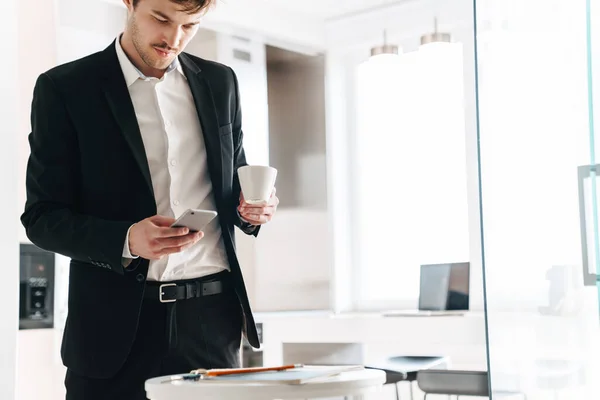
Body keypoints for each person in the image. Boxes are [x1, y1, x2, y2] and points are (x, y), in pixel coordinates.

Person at [20, 0, 279, 399]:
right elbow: (41, 217)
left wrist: (251, 210)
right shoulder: (65, 88)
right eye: (161, 19)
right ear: (129, 3)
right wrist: (126, 240)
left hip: (213, 325)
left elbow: (232, 187)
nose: (173, 39)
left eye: (190, 25)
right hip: (112, 332)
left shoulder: (220, 82)